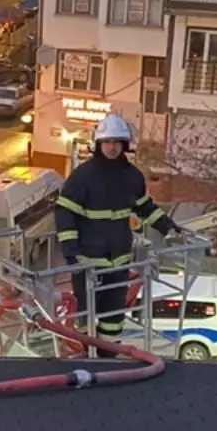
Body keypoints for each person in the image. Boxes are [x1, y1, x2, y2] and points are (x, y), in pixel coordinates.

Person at [55, 113, 180, 346]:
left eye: (117, 142)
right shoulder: (83, 176)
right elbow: (64, 213)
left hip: (120, 261)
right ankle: (85, 355)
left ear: (124, 145)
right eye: (107, 142)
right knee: (85, 316)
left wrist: (167, 227)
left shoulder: (132, 177)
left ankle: (109, 356)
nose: (112, 147)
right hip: (88, 263)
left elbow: (145, 207)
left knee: (113, 317)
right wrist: (71, 252)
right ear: (98, 144)